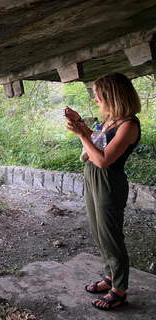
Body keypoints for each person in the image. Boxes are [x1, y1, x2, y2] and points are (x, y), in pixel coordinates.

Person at [64, 72, 141, 311]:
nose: (95, 100)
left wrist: (79, 134)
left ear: (112, 96)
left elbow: (103, 160)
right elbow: (96, 142)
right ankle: (110, 277)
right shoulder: (111, 121)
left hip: (108, 181)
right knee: (98, 232)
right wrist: (80, 123)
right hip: (93, 178)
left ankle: (119, 290)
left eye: (98, 96)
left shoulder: (128, 125)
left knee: (111, 235)